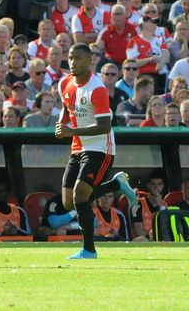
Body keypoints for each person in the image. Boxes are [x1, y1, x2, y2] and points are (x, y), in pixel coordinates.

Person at [55, 42, 139, 259]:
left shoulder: (97, 89)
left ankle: (89, 250)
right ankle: (116, 184)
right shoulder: (65, 83)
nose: (73, 62)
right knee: (67, 202)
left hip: (101, 146)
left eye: (78, 58)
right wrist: (61, 124)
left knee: (80, 195)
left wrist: (71, 129)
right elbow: (66, 107)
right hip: (78, 147)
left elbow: (105, 126)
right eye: (71, 58)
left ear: (90, 60)